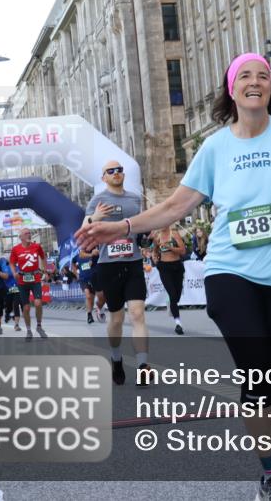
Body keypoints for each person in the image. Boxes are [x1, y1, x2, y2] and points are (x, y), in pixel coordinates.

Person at [77, 52, 271, 501]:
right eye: (245, 76)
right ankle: (270, 475)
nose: (255, 82)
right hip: (231, 274)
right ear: (231, 90)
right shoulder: (215, 147)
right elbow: (175, 207)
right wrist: (121, 227)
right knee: (256, 375)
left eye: (263, 76)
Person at [84, 161, 150, 385]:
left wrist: (145, 235)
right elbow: (85, 226)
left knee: (138, 313)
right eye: (111, 171)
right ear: (104, 177)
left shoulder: (134, 199)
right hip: (108, 265)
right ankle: (116, 357)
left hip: (133, 262)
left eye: (119, 170)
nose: (116, 173)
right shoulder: (98, 200)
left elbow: (139, 226)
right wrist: (97, 216)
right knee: (116, 318)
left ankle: (142, 364)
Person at [9, 228, 48, 341]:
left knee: (38, 303)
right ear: (20, 237)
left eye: (29, 233)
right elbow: (12, 263)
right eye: (26, 233)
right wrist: (14, 272)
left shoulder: (36, 246)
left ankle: (39, 326)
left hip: (35, 278)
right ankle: (29, 330)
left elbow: (43, 257)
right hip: (22, 280)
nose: (29, 235)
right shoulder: (16, 249)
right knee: (26, 308)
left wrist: (45, 271)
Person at [153, 224, 188, 334]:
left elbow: (183, 251)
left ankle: (172, 304)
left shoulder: (174, 234)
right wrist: (155, 258)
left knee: (176, 296)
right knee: (172, 294)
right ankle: (178, 323)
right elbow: (155, 250)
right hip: (164, 267)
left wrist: (170, 247)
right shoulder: (157, 236)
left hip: (176, 266)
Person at [73, 247, 102, 324]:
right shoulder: (78, 256)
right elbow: (73, 263)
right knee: (88, 296)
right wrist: (76, 274)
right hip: (83, 280)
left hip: (92, 278)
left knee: (91, 299)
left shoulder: (94, 253)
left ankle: (91, 313)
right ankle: (89, 315)